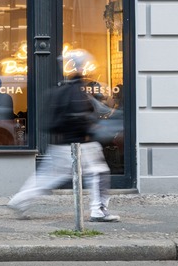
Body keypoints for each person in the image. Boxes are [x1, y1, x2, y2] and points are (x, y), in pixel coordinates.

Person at [7, 49, 120, 223]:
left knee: (46, 178)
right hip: (80, 144)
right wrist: (92, 129)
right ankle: (99, 210)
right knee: (99, 173)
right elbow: (79, 117)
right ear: (82, 67)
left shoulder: (64, 89)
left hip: (61, 144)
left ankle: (20, 200)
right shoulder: (77, 91)